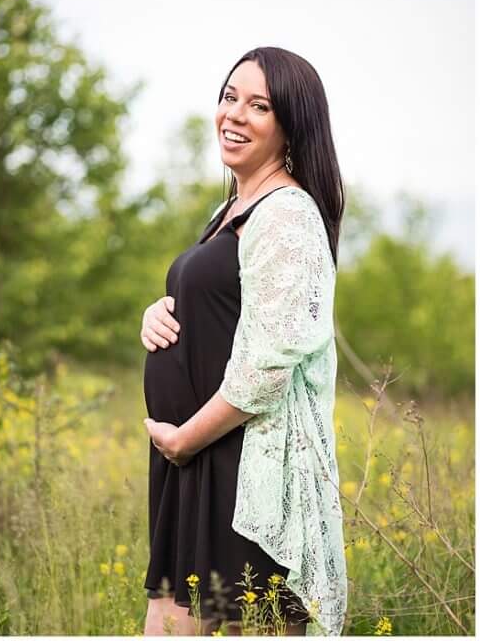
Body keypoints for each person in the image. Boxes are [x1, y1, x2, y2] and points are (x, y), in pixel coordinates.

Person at [140, 49, 347, 637]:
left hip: (236, 465)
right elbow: (222, 308)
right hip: (195, 462)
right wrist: (156, 313)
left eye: (259, 105)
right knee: (167, 623)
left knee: (224, 624)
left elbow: (267, 367)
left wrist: (183, 439)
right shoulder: (231, 208)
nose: (235, 113)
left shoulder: (287, 215)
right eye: (230, 96)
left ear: (289, 126)